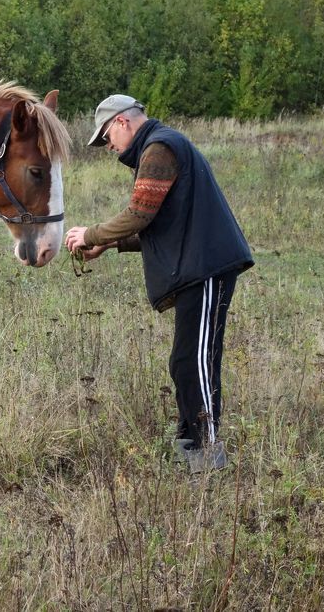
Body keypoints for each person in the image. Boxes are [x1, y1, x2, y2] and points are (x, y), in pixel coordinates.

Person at [65, 95, 253, 474]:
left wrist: (92, 234)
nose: (109, 148)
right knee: (185, 360)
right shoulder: (161, 145)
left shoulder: (159, 147)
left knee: (195, 361)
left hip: (206, 268)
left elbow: (140, 214)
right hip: (198, 267)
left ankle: (208, 450)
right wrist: (108, 243)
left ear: (121, 122)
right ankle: (190, 442)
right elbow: (160, 224)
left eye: (106, 138)